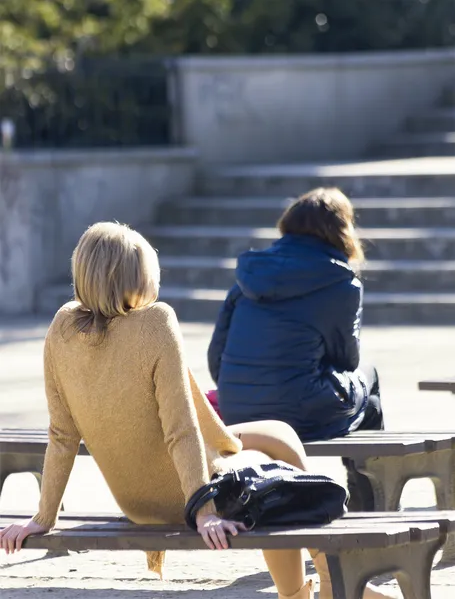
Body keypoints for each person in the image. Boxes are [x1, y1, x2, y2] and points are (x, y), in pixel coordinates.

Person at [0, 222, 394, 599]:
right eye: (148, 271)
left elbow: (62, 435)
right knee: (275, 480)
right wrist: (203, 511)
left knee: (280, 434)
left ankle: (326, 579)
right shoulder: (155, 321)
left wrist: (43, 517)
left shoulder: (62, 328)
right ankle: (309, 591)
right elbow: (179, 428)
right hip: (181, 493)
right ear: (130, 277)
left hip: (135, 498)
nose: (156, 281)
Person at [208, 188, 384, 511]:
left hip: (238, 411)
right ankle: (369, 504)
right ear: (342, 232)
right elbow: (347, 360)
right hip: (298, 414)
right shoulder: (341, 283)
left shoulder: (249, 275)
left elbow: (215, 360)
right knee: (369, 382)